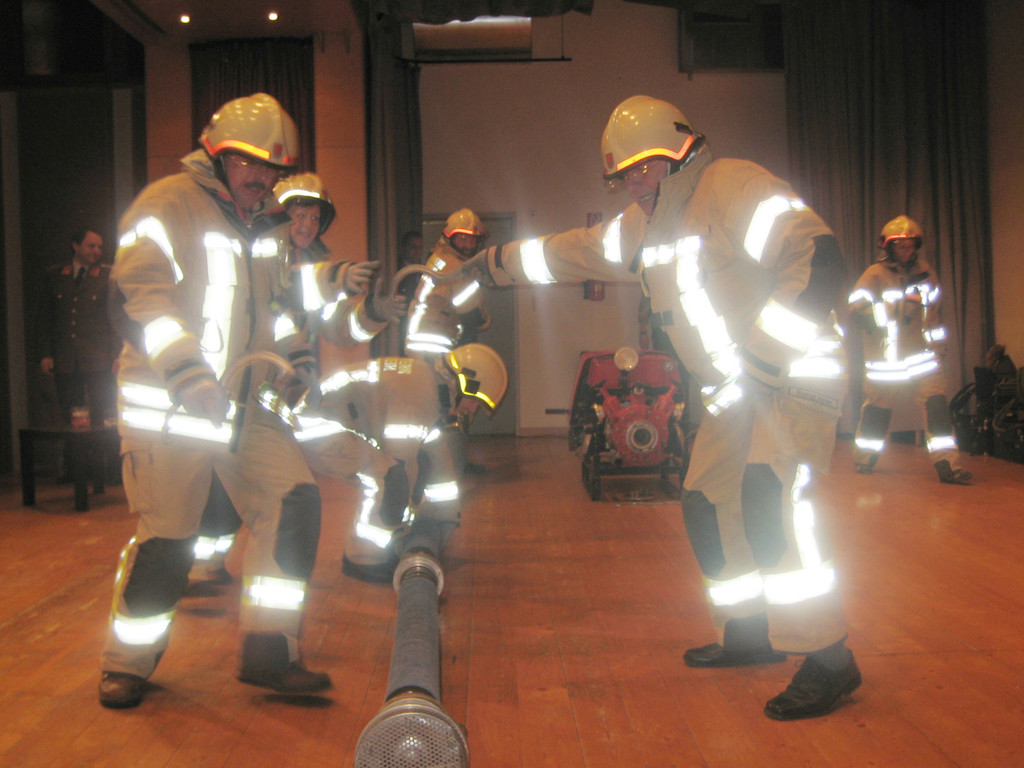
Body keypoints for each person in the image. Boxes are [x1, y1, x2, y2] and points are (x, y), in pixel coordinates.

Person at [463, 95, 859, 720]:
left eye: (643, 168)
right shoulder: (644, 226)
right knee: (706, 500)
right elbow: (569, 251)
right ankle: (748, 631)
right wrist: (492, 264)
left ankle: (829, 658)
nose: (635, 184)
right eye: (624, 176)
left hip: (795, 371)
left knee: (768, 497)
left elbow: (819, 258)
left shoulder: (734, 187)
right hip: (739, 388)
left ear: (679, 153)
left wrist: (764, 356)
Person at [98, 93, 360, 709]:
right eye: (247, 162)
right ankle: (127, 663)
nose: (260, 177)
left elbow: (275, 310)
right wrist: (189, 376)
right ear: (215, 155)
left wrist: (296, 365)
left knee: (293, 502)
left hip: (247, 405)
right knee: (170, 540)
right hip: (171, 409)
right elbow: (138, 299)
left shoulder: (268, 227)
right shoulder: (166, 205)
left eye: (271, 168)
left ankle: (271, 652)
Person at [188, 172, 384, 585]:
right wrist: (334, 279)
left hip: (285, 392)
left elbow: (339, 329)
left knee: (268, 483)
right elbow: (280, 304)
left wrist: (374, 312)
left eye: (314, 218)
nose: (306, 226)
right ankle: (202, 564)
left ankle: (220, 563)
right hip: (234, 389)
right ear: (278, 216)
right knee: (226, 483)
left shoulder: (314, 265)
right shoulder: (253, 256)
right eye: (297, 215)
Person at [279, 343, 506, 582]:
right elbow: (402, 463)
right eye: (475, 401)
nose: (472, 410)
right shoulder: (420, 393)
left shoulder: (430, 389)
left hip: (337, 422)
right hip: (315, 425)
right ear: (464, 383)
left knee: (405, 470)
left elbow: (439, 461)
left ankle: (380, 544)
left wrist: (447, 517)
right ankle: (363, 558)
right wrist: (406, 529)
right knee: (390, 477)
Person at [848, 215, 971, 484]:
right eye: (900, 246)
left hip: (922, 357)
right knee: (877, 410)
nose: (905, 250)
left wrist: (939, 347)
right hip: (886, 361)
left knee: (937, 406)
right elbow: (856, 308)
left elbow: (933, 314)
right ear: (889, 248)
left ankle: (947, 464)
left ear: (916, 246)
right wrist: (894, 309)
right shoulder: (874, 274)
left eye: (910, 245)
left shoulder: (926, 274)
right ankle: (864, 459)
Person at [405, 209, 494, 474]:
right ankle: (446, 467)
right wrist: (483, 318)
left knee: (446, 406)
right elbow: (473, 313)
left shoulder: (443, 260)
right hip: (435, 348)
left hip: (432, 344)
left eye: (471, 239)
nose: (467, 244)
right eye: (461, 238)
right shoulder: (453, 266)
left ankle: (452, 462)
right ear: (449, 237)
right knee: (447, 409)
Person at [37, 228, 120, 432]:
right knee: (70, 415)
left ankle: (102, 453)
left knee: (103, 413)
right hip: (66, 358)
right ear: (76, 246)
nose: (96, 251)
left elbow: (116, 318)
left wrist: (117, 353)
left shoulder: (107, 276)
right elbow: (46, 318)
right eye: (91, 245)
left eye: (100, 247)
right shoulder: (56, 275)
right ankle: (74, 453)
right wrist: (46, 354)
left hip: (98, 357)